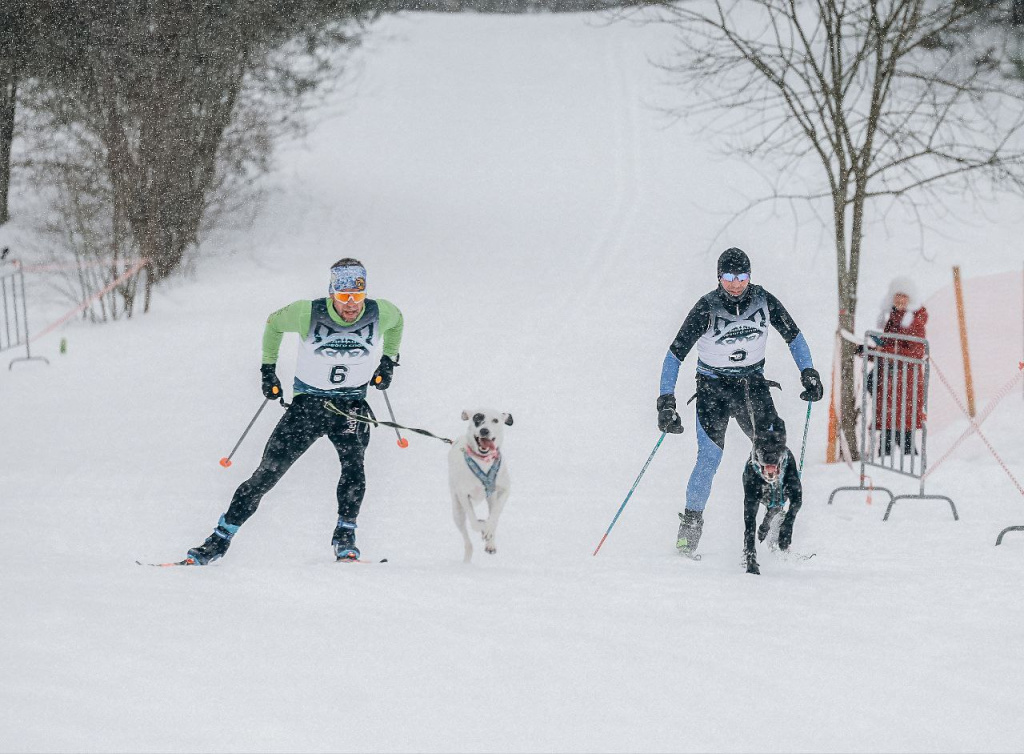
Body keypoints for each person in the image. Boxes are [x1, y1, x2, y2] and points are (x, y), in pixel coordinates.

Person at [185, 258, 403, 564]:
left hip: (351, 406)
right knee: (266, 475)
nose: (352, 306)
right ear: (332, 294)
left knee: (354, 468)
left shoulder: (382, 313)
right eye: (343, 298)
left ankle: (345, 538)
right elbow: (273, 324)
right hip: (308, 407)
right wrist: (267, 370)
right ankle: (217, 541)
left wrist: (388, 360)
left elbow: (398, 323)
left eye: (358, 297)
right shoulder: (306, 313)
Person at [656, 247, 823, 558]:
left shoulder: (763, 300)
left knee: (773, 450)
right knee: (708, 459)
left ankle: (775, 534)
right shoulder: (706, 307)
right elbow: (674, 355)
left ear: (750, 276)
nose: (736, 284)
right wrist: (666, 400)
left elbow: (794, 336)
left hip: (752, 386)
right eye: (729, 278)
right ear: (719, 277)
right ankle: (687, 538)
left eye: (742, 277)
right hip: (713, 388)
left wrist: (808, 371)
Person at [869, 277, 927, 456]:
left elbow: (916, 352)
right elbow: (889, 348)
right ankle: (887, 463)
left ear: (911, 299)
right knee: (892, 428)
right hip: (893, 382)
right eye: (897, 296)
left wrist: (882, 350)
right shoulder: (893, 318)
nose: (900, 300)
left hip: (905, 383)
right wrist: (868, 351)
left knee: (902, 430)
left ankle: (906, 466)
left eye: (904, 296)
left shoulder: (914, 320)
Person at [742, 424, 803, 575]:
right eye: (763, 451)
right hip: (756, 478)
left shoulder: (787, 462)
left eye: (776, 451)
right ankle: (749, 553)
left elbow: (797, 499)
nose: (770, 457)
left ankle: (770, 526)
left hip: (780, 486)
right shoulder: (751, 468)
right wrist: (751, 556)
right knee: (752, 513)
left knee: (777, 505)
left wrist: (788, 525)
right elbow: (749, 518)